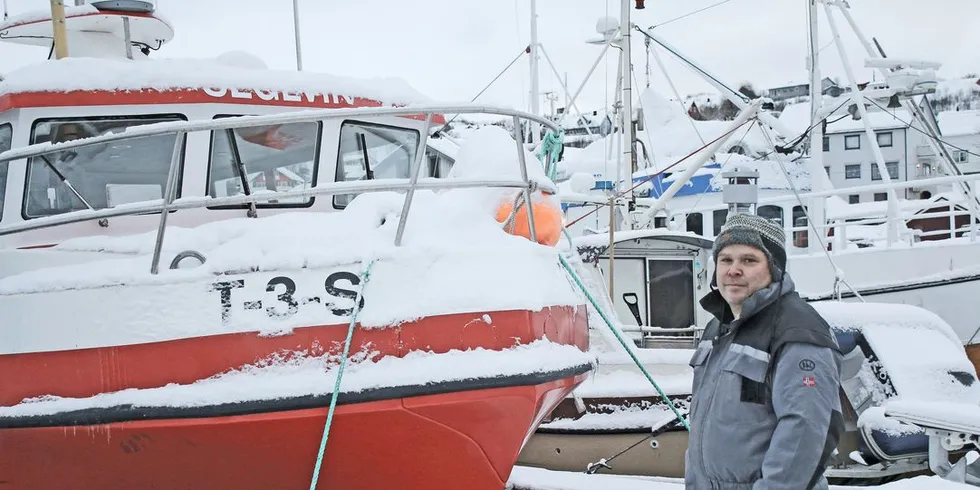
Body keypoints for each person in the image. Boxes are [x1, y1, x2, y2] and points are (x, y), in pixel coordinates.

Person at [685, 213, 844, 490]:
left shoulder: (797, 330)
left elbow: (806, 432)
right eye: (726, 260)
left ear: (774, 268)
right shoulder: (718, 327)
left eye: (749, 260)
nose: (734, 270)